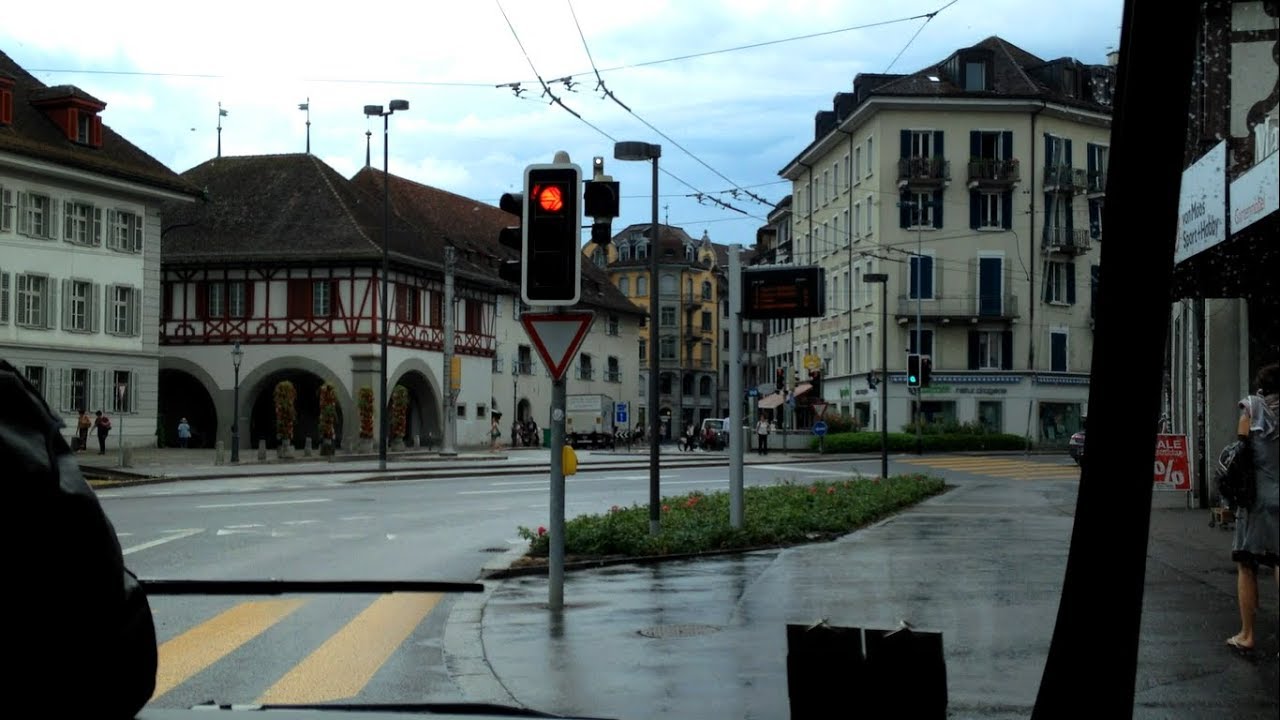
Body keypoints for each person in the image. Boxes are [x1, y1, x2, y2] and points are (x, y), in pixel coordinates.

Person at [1226, 363, 1279, 655]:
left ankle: (1247, 634)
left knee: (1247, 564)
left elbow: (1241, 448)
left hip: (1256, 500)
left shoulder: (1251, 407)